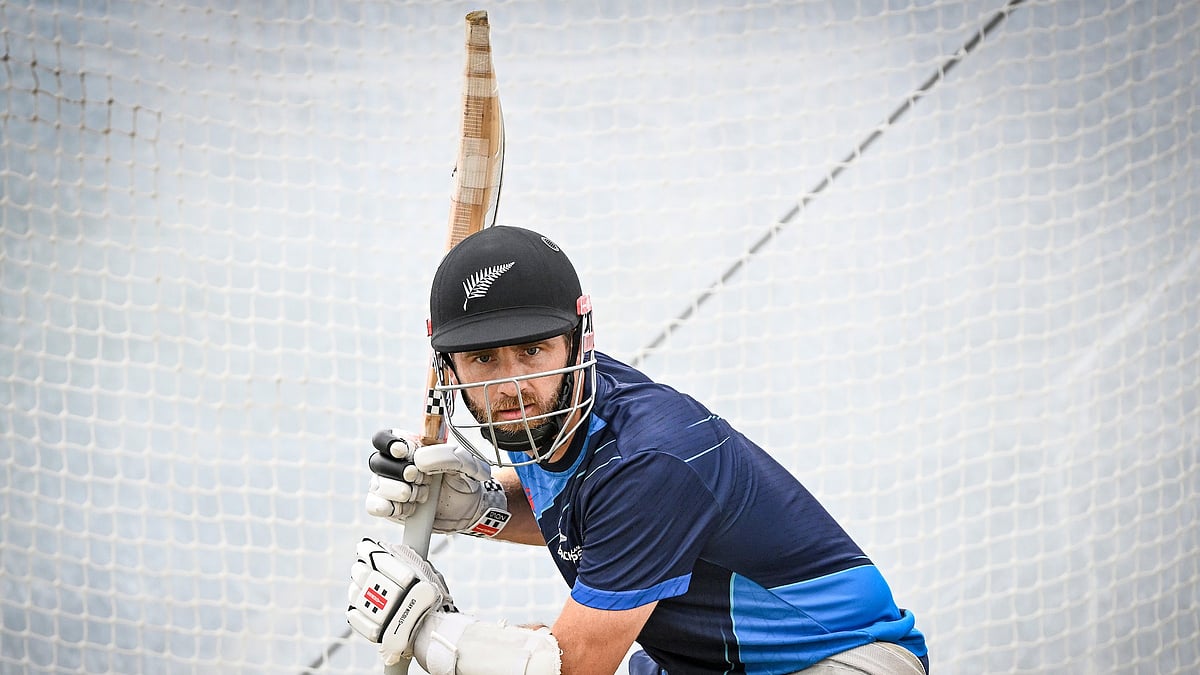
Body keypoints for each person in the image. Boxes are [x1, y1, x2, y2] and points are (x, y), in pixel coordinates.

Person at [346, 226, 929, 675]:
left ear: (579, 341)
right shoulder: (560, 413)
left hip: (841, 661)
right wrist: (482, 508)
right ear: (448, 367)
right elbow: (587, 512)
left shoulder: (650, 461)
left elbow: (573, 665)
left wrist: (424, 628)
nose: (512, 386)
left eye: (532, 351)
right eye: (483, 360)